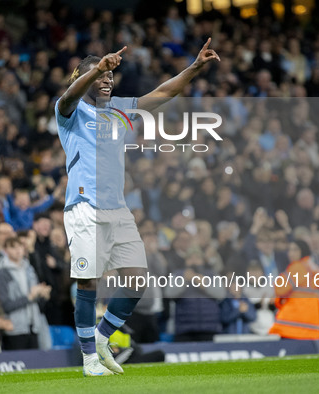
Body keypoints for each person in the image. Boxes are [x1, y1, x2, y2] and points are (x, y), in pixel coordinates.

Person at [55, 39, 219, 375]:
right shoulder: (69, 111)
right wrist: (96, 68)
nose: (107, 79)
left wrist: (195, 67)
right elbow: (70, 94)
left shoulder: (119, 109)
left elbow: (162, 94)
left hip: (118, 209)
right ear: (82, 79)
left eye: (109, 76)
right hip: (85, 207)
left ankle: (102, 337)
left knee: (137, 282)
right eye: (99, 76)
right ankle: (88, 358)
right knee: (89, 282)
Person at [0, 237, 51, 350]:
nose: (18, 250)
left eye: (20, 246)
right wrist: (30, 297)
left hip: (33, 327)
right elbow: (5, 305)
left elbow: (36, 300)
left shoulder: (29, 269)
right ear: (5, 250)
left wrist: (42, 295)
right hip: (14, 329)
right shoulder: (2, 273)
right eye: (13, 247)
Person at [269, 240, 319, 340]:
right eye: (289, 250)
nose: (290, 253)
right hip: (311, 324)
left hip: (293, 324)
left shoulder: (298, 267)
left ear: (303, 251)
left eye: (295, 250)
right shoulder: (314, 267)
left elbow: (279, 289)